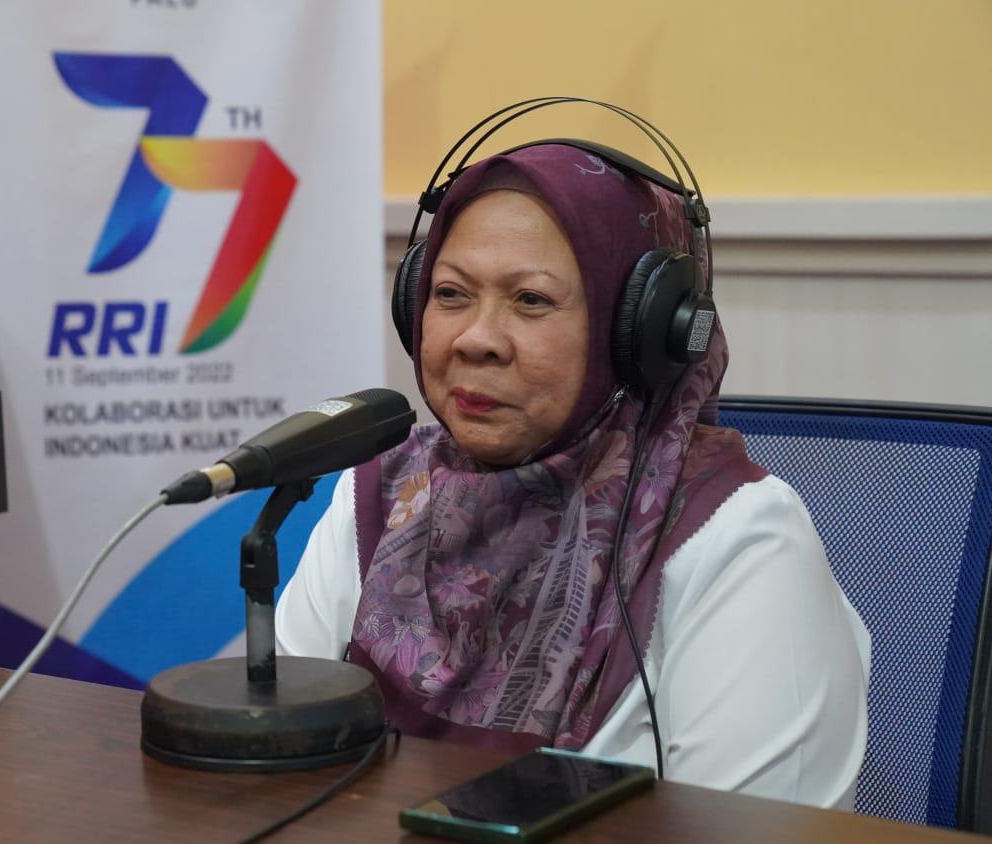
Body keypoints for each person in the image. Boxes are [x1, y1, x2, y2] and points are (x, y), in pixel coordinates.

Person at [276, 142, 870, 810]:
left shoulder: (742, 542)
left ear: (639, 334)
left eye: (530, 300)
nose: (477, 338)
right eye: (450, 294)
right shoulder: (380, 496)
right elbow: (283, 769)